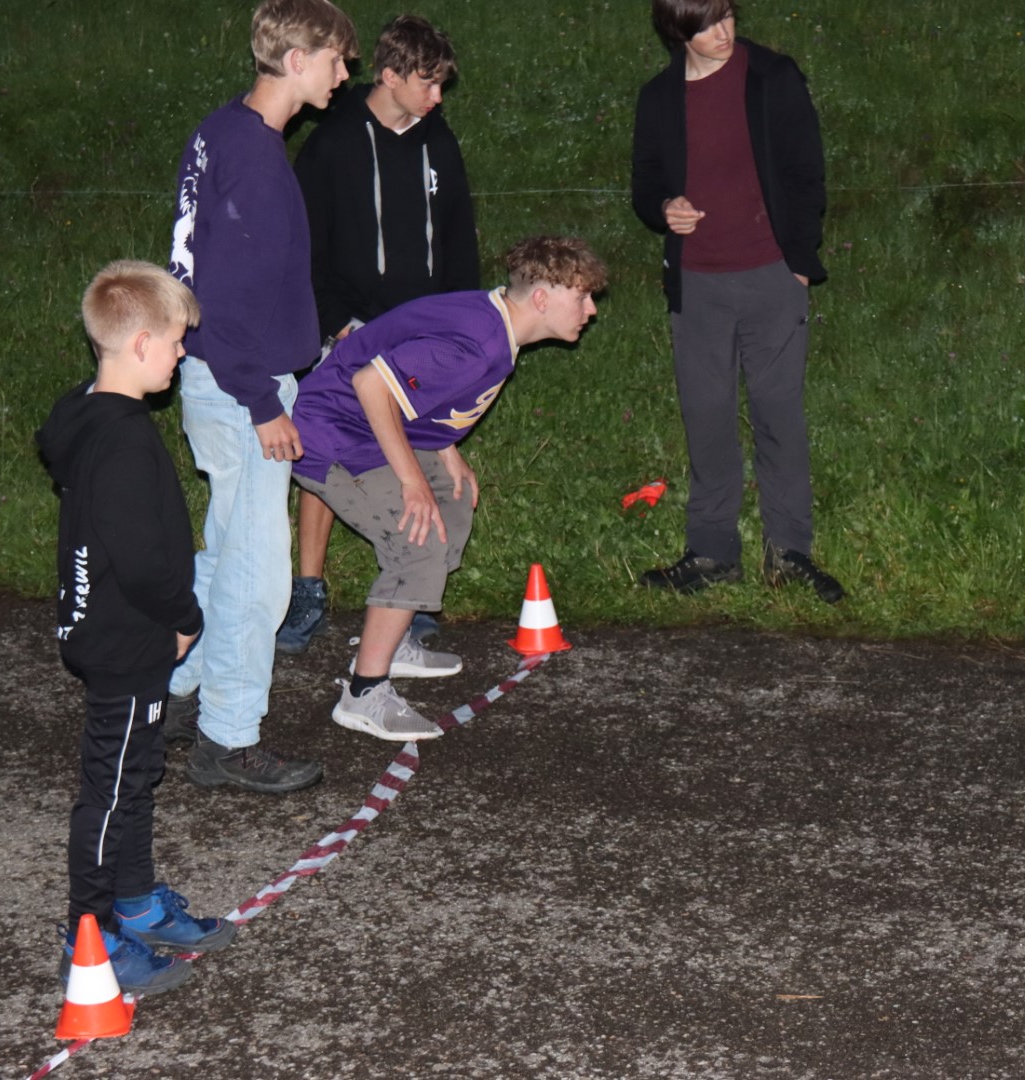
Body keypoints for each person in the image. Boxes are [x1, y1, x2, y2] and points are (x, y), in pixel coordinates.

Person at [289, 236, 606, 741]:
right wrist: (411, 480)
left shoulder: (498, 323)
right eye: (583, 297)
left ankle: (394, 641)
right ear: (542, 299)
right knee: (418, 541)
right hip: (331, 437)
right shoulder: (478, 345)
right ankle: (363, 693)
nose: (591, 310)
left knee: (452, 505)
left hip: (377, 429)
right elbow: (372, 384)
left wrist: (445, 447)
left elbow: (425, 388)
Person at [165, 0, 358, 794]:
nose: (345, 74)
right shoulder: (255, 159)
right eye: (338, 59)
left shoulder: (223, 129)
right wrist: (263, 400)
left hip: (215, 372)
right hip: (237, 381)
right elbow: (227, 295)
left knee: (226, 547)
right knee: (258, 573)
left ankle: (175, 692)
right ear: (298, 59)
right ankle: (228, 737)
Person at [36, 261, 238, 995]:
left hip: (118, 630)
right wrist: (185, 617)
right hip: (129, 637)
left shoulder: (85, 411)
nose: (183, 354)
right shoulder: (122, 441)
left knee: (136, 772)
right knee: (110, 789)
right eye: (178, 342)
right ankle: (89, 939)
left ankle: (136, 901)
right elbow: (142, 557)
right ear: (143, 344)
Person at [630, 0, 845, 604]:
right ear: (678, 33)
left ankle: (789, 552)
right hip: (697, 282)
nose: (724, 32)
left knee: (779, 414)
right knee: (707, 415)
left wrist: (799, 259)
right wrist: (664, 207)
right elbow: (645, 181)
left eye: (727, 16)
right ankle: (712, 552)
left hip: (771, 274)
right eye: (706, 26)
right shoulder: (659, 97)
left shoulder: (773, 77)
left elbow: (807, 171)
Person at [279, 13, 480, 655]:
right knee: (331, 449)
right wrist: (339, 323)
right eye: (427, 83)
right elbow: (305, 249)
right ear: (389, 75)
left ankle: (412, 591)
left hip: (420, 335)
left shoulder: (437, 141)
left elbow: (459, 239)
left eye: (442, 83)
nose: (437, 96)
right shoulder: (333, 143)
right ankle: (308, 587)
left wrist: (459, 321)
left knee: (414, 444)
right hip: (347, 327)